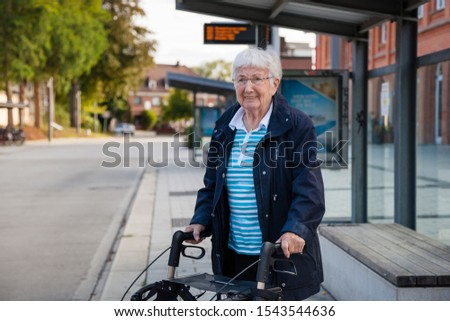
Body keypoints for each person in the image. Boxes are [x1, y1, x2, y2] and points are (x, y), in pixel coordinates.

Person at [185, 47, 325, 300]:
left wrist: (295, 230)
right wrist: (200, 220)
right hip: (234, 253)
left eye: (256, 79)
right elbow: (212, 184)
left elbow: (309, 190)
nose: (248, 87)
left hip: (278, 254)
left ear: (274, 83)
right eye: (241, 79)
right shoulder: (225, 127)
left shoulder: (296, 126)